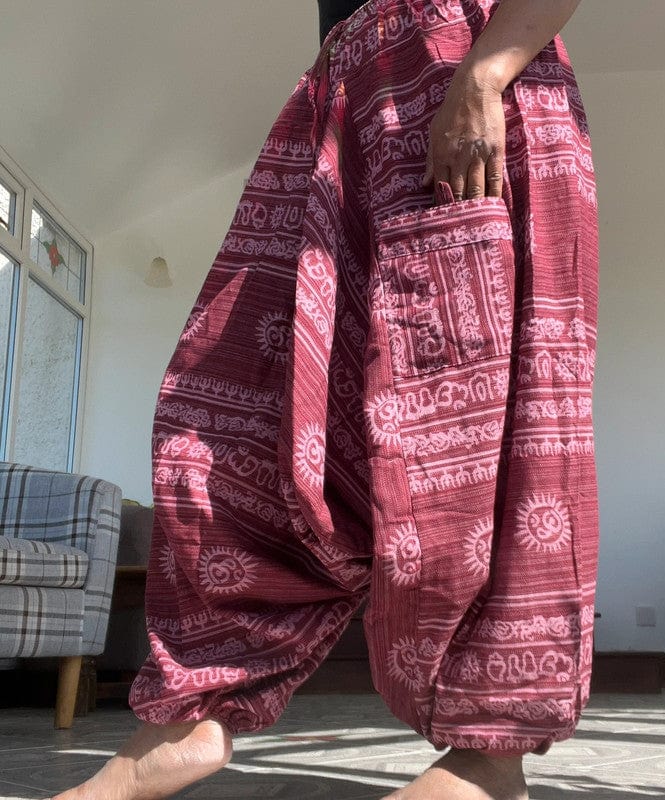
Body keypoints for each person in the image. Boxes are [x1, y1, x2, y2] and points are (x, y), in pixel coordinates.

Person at [52, 0, 597, 798]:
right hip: (341, 95)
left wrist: (485, 74)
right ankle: (190, 717)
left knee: (463, 432)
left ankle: (488, 756)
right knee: (226, 413)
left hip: (462, 69)